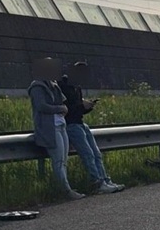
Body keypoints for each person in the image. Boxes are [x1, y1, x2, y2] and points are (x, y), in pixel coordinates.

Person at [60, 62, 124, 194]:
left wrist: (88, 107)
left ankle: (105, 180)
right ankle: (97, 183)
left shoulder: (76, 86)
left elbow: (78, 109)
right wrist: (83, 106)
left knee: (96, 153)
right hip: (71, 124)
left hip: (80, 122)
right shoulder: (64, 86)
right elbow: (67, 109)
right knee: (88, 154)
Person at [27, 58, 85, 200]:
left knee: (63, 159)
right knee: (58, 160)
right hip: (49, 127)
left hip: (61, 125)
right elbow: (42, 106)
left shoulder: (53, 85)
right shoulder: (37, 86)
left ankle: (64, 188)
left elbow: (63, 100)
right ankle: (65, 191)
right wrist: (60, 108)